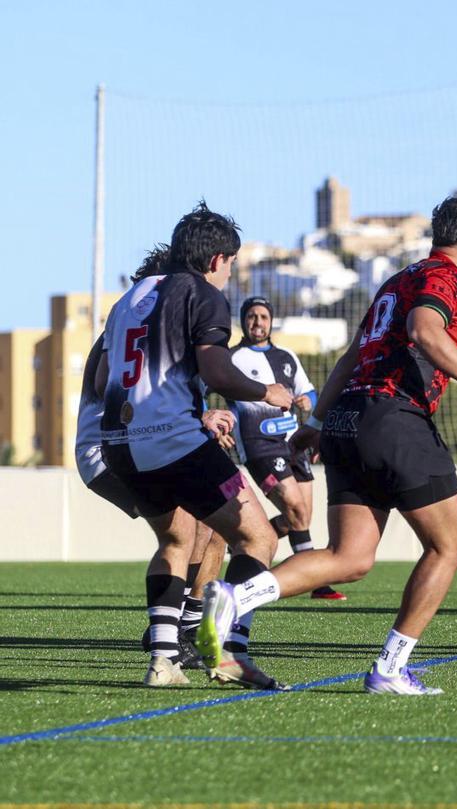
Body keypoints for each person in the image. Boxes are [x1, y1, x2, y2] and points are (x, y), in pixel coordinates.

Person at [199, 197, 457, 695]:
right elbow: (425, 330)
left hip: (349, 419)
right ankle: (391, 667)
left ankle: (236, 598)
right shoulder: (448, 276)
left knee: (350, 557)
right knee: (450, 544)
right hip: (394, 418)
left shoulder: (397, 281)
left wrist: (322, 421)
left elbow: (354, 355)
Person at [97, 203, 293, 689]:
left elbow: (103, 375)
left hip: (120, 441)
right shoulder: (202, 294)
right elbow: (216, 370)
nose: (228, 273)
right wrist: (265, 391)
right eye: (230, 263)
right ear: (215, 260)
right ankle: (229, 652)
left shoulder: (131, 297)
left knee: (175, 541)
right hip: (175, 440)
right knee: (259, 539)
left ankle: (163, 661)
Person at [230, 295, 344, 600]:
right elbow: (202, 389)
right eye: (251, 316)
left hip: (293, 444)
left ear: (271, 321)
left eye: (263, 317)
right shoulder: (233, 358)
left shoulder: (286, 357)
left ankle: (246, 544)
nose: (257, 322)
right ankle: (315, 583)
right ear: (243, 321)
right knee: (295, 507)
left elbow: (308, 392)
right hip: (259, 447)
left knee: (301, 515)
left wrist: (309, 401)